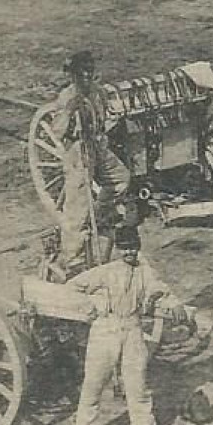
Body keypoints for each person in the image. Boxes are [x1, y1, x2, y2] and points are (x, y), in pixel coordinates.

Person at [70, 226, 205, 425]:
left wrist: (175, 304)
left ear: (138, 248)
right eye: (124, 249)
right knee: (94, 384)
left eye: (132, 248)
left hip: (132, 328)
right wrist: (93, 305)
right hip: (105, 329)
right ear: (118, 250)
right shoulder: (104, 272)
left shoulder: (144, 271)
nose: (129, 253)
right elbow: (73, 287)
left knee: (138, 384)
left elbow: (160, 290)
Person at [53, 52, 133, 269]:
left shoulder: (98, 93)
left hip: (99, 143)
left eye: (89, 71)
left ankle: (99, 215)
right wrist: (70, 112)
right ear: (73, 76)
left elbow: (106, 117)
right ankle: (71, 257)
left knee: (121, 179)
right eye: (81, 74)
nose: (87, 77)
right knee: (77, 205)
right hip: (79, 150)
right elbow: (57, 132)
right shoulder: (67, 97)